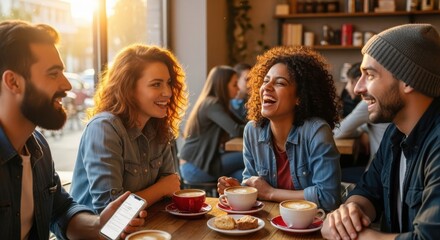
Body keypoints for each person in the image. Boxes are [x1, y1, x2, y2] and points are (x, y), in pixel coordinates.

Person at [0, 20, 146, 239]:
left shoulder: (37, 147)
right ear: (13, 82)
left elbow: (60, 211)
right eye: (53, 73)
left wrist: (99, 225)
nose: (67, 85)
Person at [321, 23, 440, 239]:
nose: (358, 88)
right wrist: (349, 212)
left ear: (408, 80)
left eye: (370, 75)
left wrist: (352, 235)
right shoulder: (394, 134)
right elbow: (368, 190)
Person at [218, 46, 342, 212]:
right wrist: (241, 189)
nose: (267, 87)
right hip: (271, 226)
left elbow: (328, 198)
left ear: (299, 97)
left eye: (280, 83)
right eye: (265, 81)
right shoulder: (252, 131)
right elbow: (253, 183)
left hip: (311, 227)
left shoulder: (316, 131)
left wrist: (270, 193)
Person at [70, 44, 188, 213]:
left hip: (145, 227)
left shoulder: (158, 127)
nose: (168, 92)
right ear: (129, 88)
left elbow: (171, 190)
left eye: (168, 83)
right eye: (156, 84)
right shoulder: (104, 128)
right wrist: (161, 189)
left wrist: (164, 189)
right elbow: (109, 212)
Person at [179, 65, 245, 183]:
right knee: (251, 157)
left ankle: (243, 196)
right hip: (194, 168)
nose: (238, 88)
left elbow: (240, 124)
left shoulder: (217, 104)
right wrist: (260, 130)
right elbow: (236, 130)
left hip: (203, 163)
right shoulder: (212, 104)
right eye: (235, 84)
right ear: (222, 85)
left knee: (241, 176)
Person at [334, 63, 390, 183]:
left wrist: (361, 130)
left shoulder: (367, 103)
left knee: (334, 175)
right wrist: (363, 130)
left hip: (377, 175)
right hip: (383, 171)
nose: (352, 88)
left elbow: (338, 133)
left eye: (370, 75)